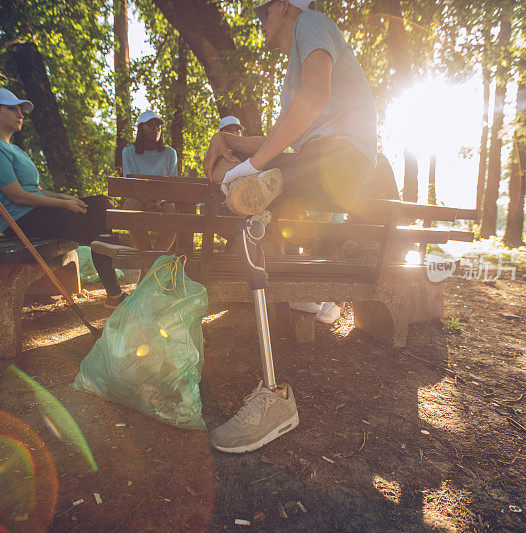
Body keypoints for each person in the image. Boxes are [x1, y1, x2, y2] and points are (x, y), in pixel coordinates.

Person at [202, 0, 378, 453]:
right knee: (235, 183)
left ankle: (276, 398)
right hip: (321, 159)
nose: (259, 21)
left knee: (238, 196)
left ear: (284, 6)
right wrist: (237, 146)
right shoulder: (297, 61)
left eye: (262, 12)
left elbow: (315, 98)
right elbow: (292, 133)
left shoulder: (313, 23)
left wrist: (245, 166)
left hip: (338, 159)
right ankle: (258, 199)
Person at [0, 88, 125, 308]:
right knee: (96, 225)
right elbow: (18, 196)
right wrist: (63, 204)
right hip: (19, 220)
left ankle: (113, 277)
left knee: (101, 203)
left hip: (34, 212)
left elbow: (36, 189)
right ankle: (115, 285)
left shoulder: (11, 148)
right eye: (12, 108)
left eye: (20, 109)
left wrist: (64, 196)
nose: (20, 114)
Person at [120, 110, 178, 253]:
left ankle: (154, 258)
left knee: (176, 215)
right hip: (137, 199)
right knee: (131, 210)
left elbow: (173, 186)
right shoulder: (128, 152)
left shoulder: (170, 153)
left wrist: (157, 201)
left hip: (162, 201)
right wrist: (146, 201)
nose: (156, 128)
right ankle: (147, 258)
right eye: (150, 125)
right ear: (141, 128)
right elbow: (129, 184)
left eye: (158, 125)